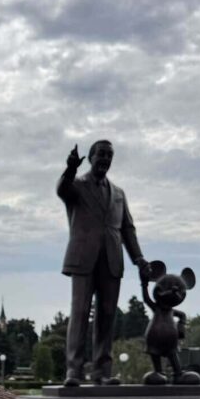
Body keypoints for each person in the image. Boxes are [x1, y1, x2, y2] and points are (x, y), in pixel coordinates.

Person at [57, 140, 150, 385]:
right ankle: (73, 371)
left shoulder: (119, 193)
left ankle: (102, 372)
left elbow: (128, 228)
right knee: (79, 313)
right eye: (101, 154)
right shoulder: (77, 185)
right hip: (83, 258)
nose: (105, 159)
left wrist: (138, 258)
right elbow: (62, 190)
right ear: (90, 157)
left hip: (111, 259)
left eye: (109, 155)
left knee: (107, 315)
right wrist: (70, 168)